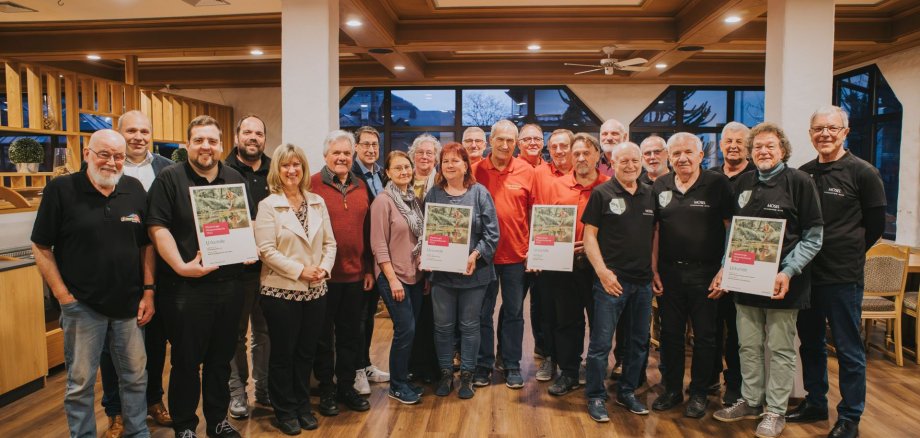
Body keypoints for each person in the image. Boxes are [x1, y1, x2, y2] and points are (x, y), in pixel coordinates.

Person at [32, 129, 153, 438]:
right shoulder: (61, 190)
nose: (111, 162)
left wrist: (149, 291)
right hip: (82, 307)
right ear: (87, 154)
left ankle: (138, 432)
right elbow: (41, 246)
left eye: (118, 157)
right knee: (80, 384)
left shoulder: (134, 189)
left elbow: (145, 246)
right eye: (104, 154)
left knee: (136, 377)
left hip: (129, 306)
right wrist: (63, 296)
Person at [712, 122, 823, 438]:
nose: (763, 151)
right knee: (747, 345)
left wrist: (787, 272)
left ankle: (775, 410)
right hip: (746, 279)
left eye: (769, 146)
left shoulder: (799, 182)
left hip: (782, 284)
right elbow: (735, 232)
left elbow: (814, 236)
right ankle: (750, 400)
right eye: (757, 146)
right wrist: (725, 267)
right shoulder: (745, 182)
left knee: (779, 348)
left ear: (783, 150)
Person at [147, 116, 248, 438]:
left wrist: (246, 247)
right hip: (185, 287)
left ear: (221, 145)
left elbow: (242, 223)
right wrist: (179, 265)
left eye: (212, 141)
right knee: (186, 363)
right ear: (188, 144)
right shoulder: (169, 178)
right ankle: (185, 425)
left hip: (229, 285)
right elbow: (157, 227)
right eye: (199, 140)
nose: (206, 146)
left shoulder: (233, 177)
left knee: (221, 360)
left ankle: (217, 420)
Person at [789, 105, 886, 438]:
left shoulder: (863, 173)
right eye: (818, 129)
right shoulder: (802, 174)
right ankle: (816, 401)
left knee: (848, 349)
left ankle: (849, 417)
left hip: (843, 276)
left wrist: (848, 249)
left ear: (845, 132)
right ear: (810, 134)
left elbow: (874, 225)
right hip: (806, 275)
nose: (825, 134)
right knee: (810, 344)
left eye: (832, 128)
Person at [95, 112, 172, 438]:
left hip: (160, 269)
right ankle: (116, 412)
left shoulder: (167, 168)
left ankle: (154, 400)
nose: (139, 136)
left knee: (155, 342)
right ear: (119, 134)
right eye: (132, 131)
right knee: (111, 348)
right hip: (116, 273)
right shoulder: (105, 167)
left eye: (144, 131)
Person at [649, 132, 733, 419]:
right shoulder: (659, 185)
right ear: (669, 158)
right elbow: (656, 231)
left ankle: (698, 392)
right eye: (676, 153)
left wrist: (725, 269)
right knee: (670, 335)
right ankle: (671, 389)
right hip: (670, 273)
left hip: (707, 273)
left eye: (688, 152)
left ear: (700, 155)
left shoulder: (717, 184)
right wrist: (654, 269)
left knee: (706, 337)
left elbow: (730, 228)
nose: (682, 158)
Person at [253, 144, 336, 435]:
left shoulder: (316, 201)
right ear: (278, 169)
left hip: (316, 291)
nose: (291, 171)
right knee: (283, 354)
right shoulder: (268, 205)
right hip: (281, 292)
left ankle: (302, 405)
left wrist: (324, 268)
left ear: (303, 169)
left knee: (306, 352)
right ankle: (284, 410)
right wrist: (300, 270)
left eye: (297, 165)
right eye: (286, 166)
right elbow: (265, 250)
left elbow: (330, 243)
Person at [582, 142, 656, 422]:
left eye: (634, 160)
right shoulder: (602, 193)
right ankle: (596, 396)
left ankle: (628, 392)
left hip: (642, 283)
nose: (630, 165)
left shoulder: (651, 194)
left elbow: (655, 234)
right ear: (612, 163)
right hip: (610, 282)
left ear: (641, 163)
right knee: (600, 344)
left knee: (638, 343)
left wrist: (654, 271)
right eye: (623, 161)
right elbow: (589, 237)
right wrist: (602, 272)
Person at [534, 133, 609, 396]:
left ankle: (596, 370)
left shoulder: (609, 187)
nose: (580, 158)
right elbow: (546, 224)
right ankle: (568, 371)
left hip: (598, 268)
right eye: (575, 153)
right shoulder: (558, 186)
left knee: (599, 322)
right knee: (566, 321)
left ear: (598, 155)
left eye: (585, 153)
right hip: (563, 266)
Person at [427, 142, 499, 399]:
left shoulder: (480, 193)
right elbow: (427, 232)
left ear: (466, 165)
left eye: (455, 160)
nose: (450, 165)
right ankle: (446, 373)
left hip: (474, 274)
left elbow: (492, 234)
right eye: (445, 160)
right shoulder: (434, 195)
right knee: (443, 327)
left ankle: (467, 376)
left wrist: (475, 254)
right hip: (443, 276)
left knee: (470, 326)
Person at [311, 130, 374, 416]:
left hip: (355, 275)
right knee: (323, 337)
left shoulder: (361, 186)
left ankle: (346, 386)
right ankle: (326, 390)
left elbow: (368, 230)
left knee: (351, 335)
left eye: (347, 153)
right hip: (324, 277)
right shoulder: (311, 185)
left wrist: (369, 268)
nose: (342, 158)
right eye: (336, 153)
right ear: (326, 155)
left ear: (353, 156)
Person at [472, 119, 535, 389]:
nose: (506, 145)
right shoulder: (475, 171)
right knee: (483, 313)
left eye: (511, 140)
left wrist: (535, 250)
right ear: (490, 141)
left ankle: (511, 364)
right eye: (501, 139)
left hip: (516, 257)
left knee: (513, 313)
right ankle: (483, 365)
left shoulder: (526, 170)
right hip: (483, 257)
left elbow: (534, 213)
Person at [224, 114, 272, 418]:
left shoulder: (275, 170)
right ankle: (237, 392)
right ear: (237, 136)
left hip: (270, 269)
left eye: (258, 133)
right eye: (248, 132)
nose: (253, 138)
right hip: (234, 271)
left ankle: (265, 387)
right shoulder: (222, 171)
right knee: (235, 335)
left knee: (266, 333)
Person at [370, 151, 427, 404]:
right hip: (393, 276)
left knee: (411, 331)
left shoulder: (413, 200)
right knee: (405, 329)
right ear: (388, 173)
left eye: (407, 167)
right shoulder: (383, 201)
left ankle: (404, 378)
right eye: (398, 168)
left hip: (415, 275)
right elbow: (379, 244)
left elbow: (419, 238)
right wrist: (392, 279)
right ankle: (397, 385)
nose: (404, 171)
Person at [711, 121, 754, 406]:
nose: (734, 146)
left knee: (739, 332)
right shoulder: (711, 177)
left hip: (743, 267)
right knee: (710, 328)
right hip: (709, 266)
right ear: (721, 145)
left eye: (740, 141)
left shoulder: (757, 177)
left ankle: (735, 385)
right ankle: (708, 379)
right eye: (729, 141)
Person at [531, 128, 576, 383]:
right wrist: (534, 252)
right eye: (554, 147)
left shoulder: (581, 173)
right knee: (546, 310)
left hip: (576, 255)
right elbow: (532, 208)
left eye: (564, 146)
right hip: (547, 251)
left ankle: (572, 361)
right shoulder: (539, 173)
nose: (559, 151)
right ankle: (549, 357)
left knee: (570, 314)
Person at [350, 126, 391, 395]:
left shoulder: (379, 174)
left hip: (377, 259)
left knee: (368, 319)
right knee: (356, 319)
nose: (370, 149)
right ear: (356, 147)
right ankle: (355, 371)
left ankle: (365, 364)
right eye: (365, 144)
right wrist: (366, 265)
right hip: (359, 260)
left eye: (374, 145)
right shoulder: (352, 177)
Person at [407, 135, 442, 384]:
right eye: (420, 153)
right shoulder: (402, 180)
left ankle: (433, 366)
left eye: (430, 153)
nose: (425, 157)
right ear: (413, 155)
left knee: (433, 316)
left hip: (436, 257)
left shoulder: (441, 183)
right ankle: (412, 365)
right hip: (407, 258)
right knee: (411, 317)